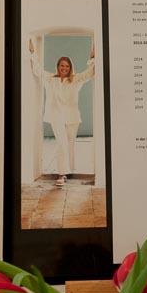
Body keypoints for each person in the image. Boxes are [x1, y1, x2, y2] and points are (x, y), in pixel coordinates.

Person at [29, 38, 95, 186]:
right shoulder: (51, 79)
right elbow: (38, 70)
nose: (64, 68)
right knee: (61, 144)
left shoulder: (75, 80)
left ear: (70, 68)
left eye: (67, 66)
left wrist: (92, 57)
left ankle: (68, 170)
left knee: (70, 144)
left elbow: (90, 73)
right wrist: (32, 53)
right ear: (58, 67)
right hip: (56, 116)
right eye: (62, 65)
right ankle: (62, 174)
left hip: (73, 118)